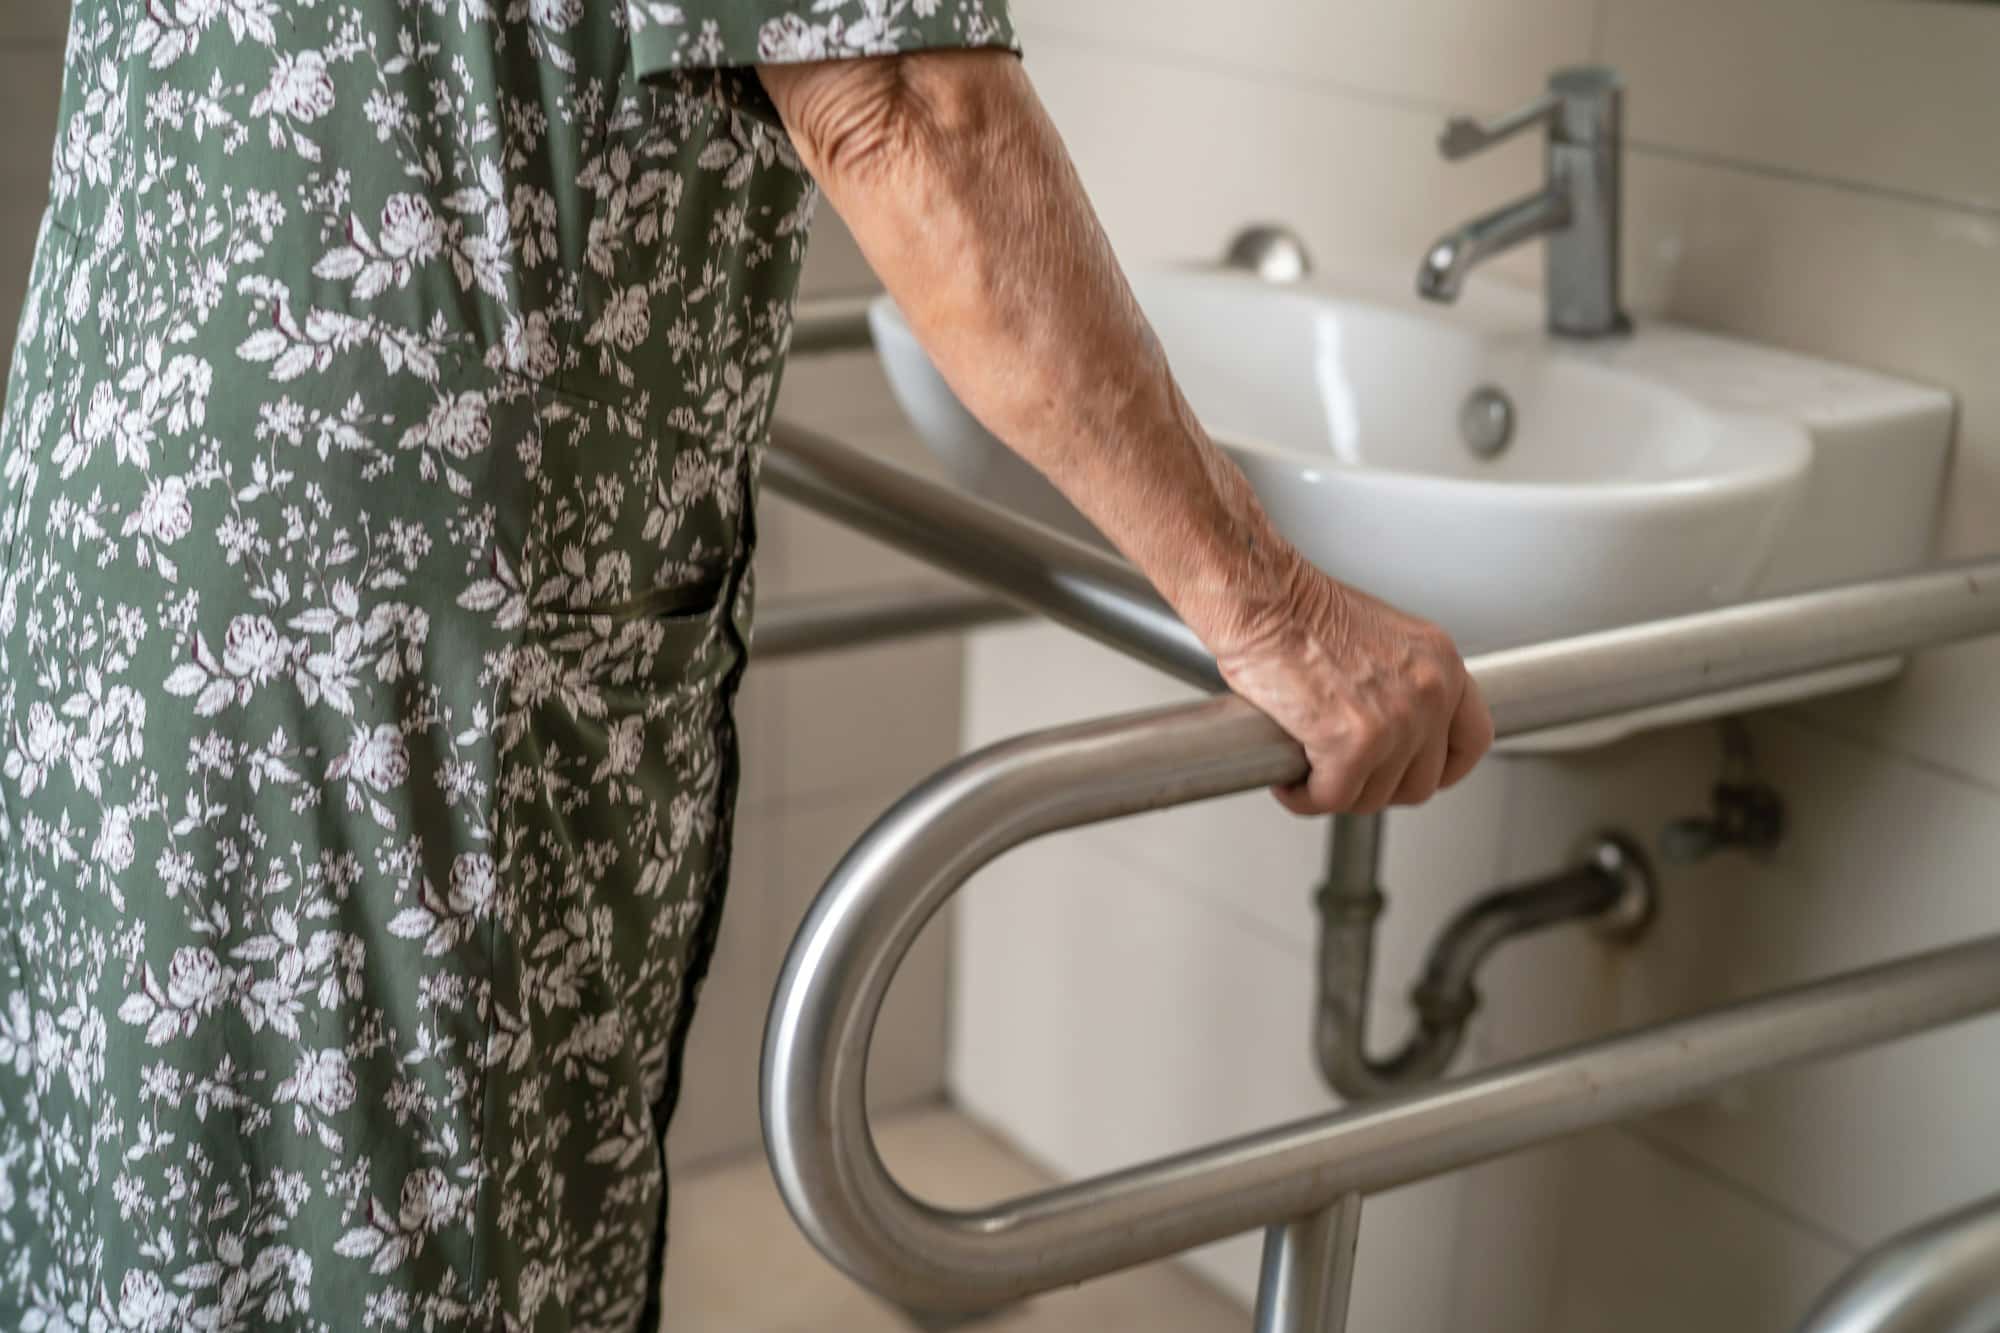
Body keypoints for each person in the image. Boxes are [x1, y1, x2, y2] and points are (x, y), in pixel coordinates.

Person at [0, 1, 1491, 1328]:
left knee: (157, 1221)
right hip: (364, 659)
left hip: (122, 548)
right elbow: (900, 102)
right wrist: (1276, 613)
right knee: (387, 1249)